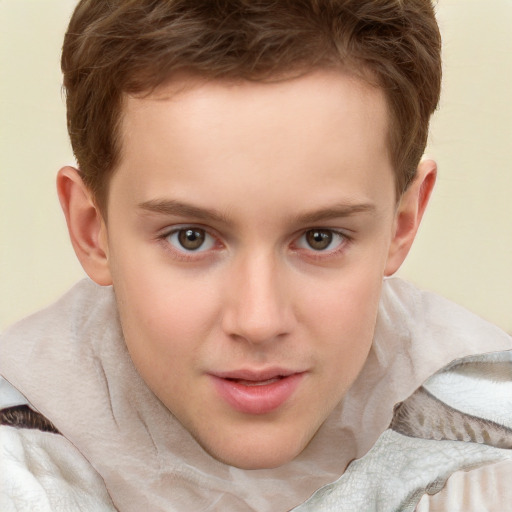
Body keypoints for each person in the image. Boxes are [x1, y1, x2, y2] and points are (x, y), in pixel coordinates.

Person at [0, 0, 511, 510]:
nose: (259, 320)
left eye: (320, 238)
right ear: (94, 231)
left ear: (402, 223)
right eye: (191, 238)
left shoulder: (492, 460)